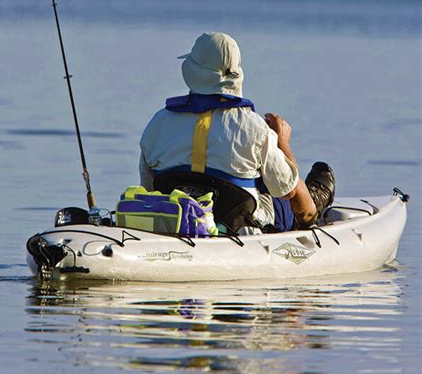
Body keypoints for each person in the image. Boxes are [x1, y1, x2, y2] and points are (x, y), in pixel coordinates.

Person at [139, 32, 335, 232]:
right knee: (279, 187)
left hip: (176, 223)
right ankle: (315, 201)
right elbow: (288, 190)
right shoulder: (255, 127)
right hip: (239, 228)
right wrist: (281, 142)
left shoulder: (158, 123)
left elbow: (148, 189)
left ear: (192, 71)